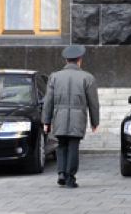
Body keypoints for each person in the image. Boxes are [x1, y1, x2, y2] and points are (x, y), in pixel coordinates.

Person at [42, 44, 100, 188]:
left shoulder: (54, 77)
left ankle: (61, 173)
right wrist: (94, 121)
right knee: (73, 146)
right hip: (78, 117)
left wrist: (46, 121)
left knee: (61, 144)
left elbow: (48, 101)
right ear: (80, 59)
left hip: (59, 116)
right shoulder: (88, 78)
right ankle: (70, 178)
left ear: (66, 60)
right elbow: (93, 103)